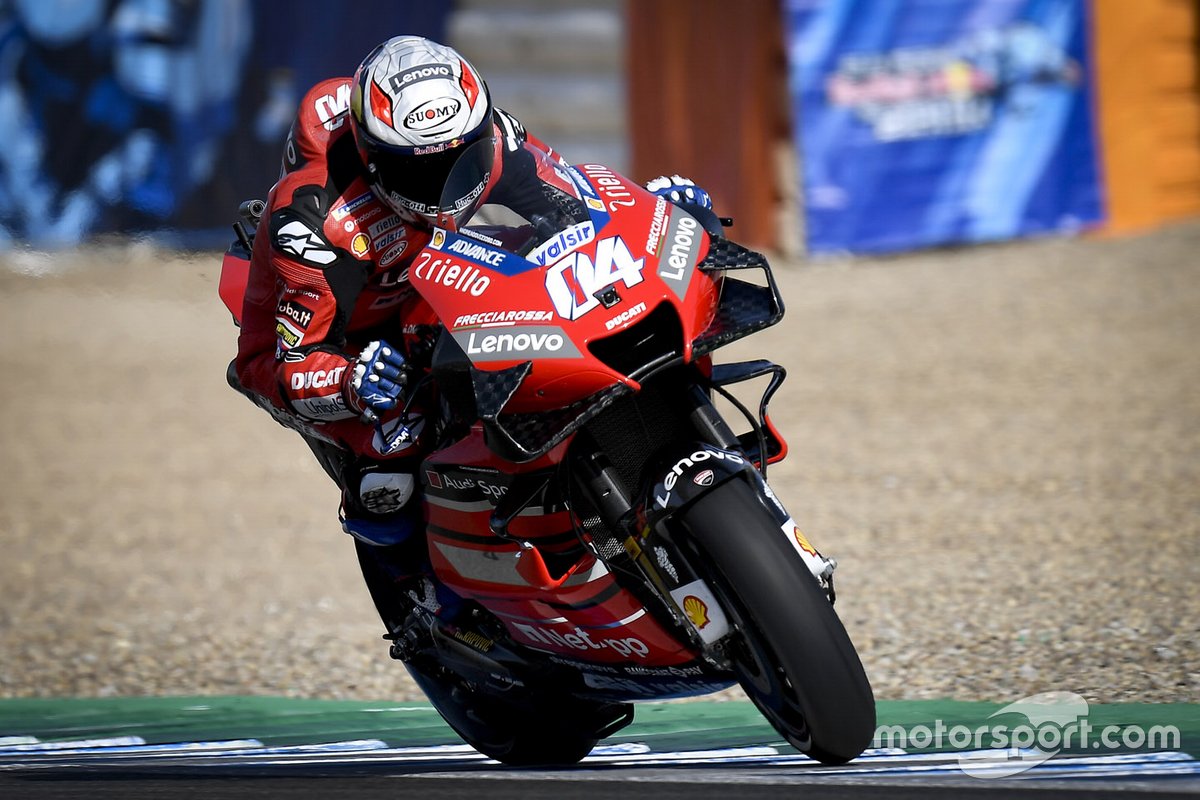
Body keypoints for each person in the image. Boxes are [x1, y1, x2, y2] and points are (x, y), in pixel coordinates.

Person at [229, 35, 712, 634]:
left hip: (435, 279)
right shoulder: (311, 221)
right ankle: (425, 608)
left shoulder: (491, 134)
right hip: (340, 337)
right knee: (393, 450)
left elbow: (573, 203)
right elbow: (289, 364)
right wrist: (353, 381)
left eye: (462, 157)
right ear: (376, 157)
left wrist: (652, 213)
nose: (447, 181)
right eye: (420, 169)